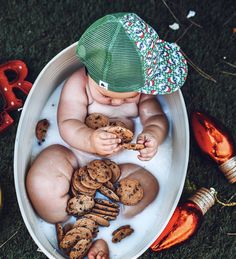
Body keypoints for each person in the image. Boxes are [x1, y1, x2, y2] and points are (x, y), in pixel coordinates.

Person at [26, 13, 188, 259]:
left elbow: (156, 118)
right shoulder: (78, 83)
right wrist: (89, 139)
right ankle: (64, 216)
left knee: (149, 187)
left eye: (127, 97)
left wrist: (152, 136)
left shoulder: (143, 93)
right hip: (72, 155)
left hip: (121, 166)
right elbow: (68, 123)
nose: (114, 102)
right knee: (41, 180)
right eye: (106, 96)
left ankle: (110, 221)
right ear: (88, 72)